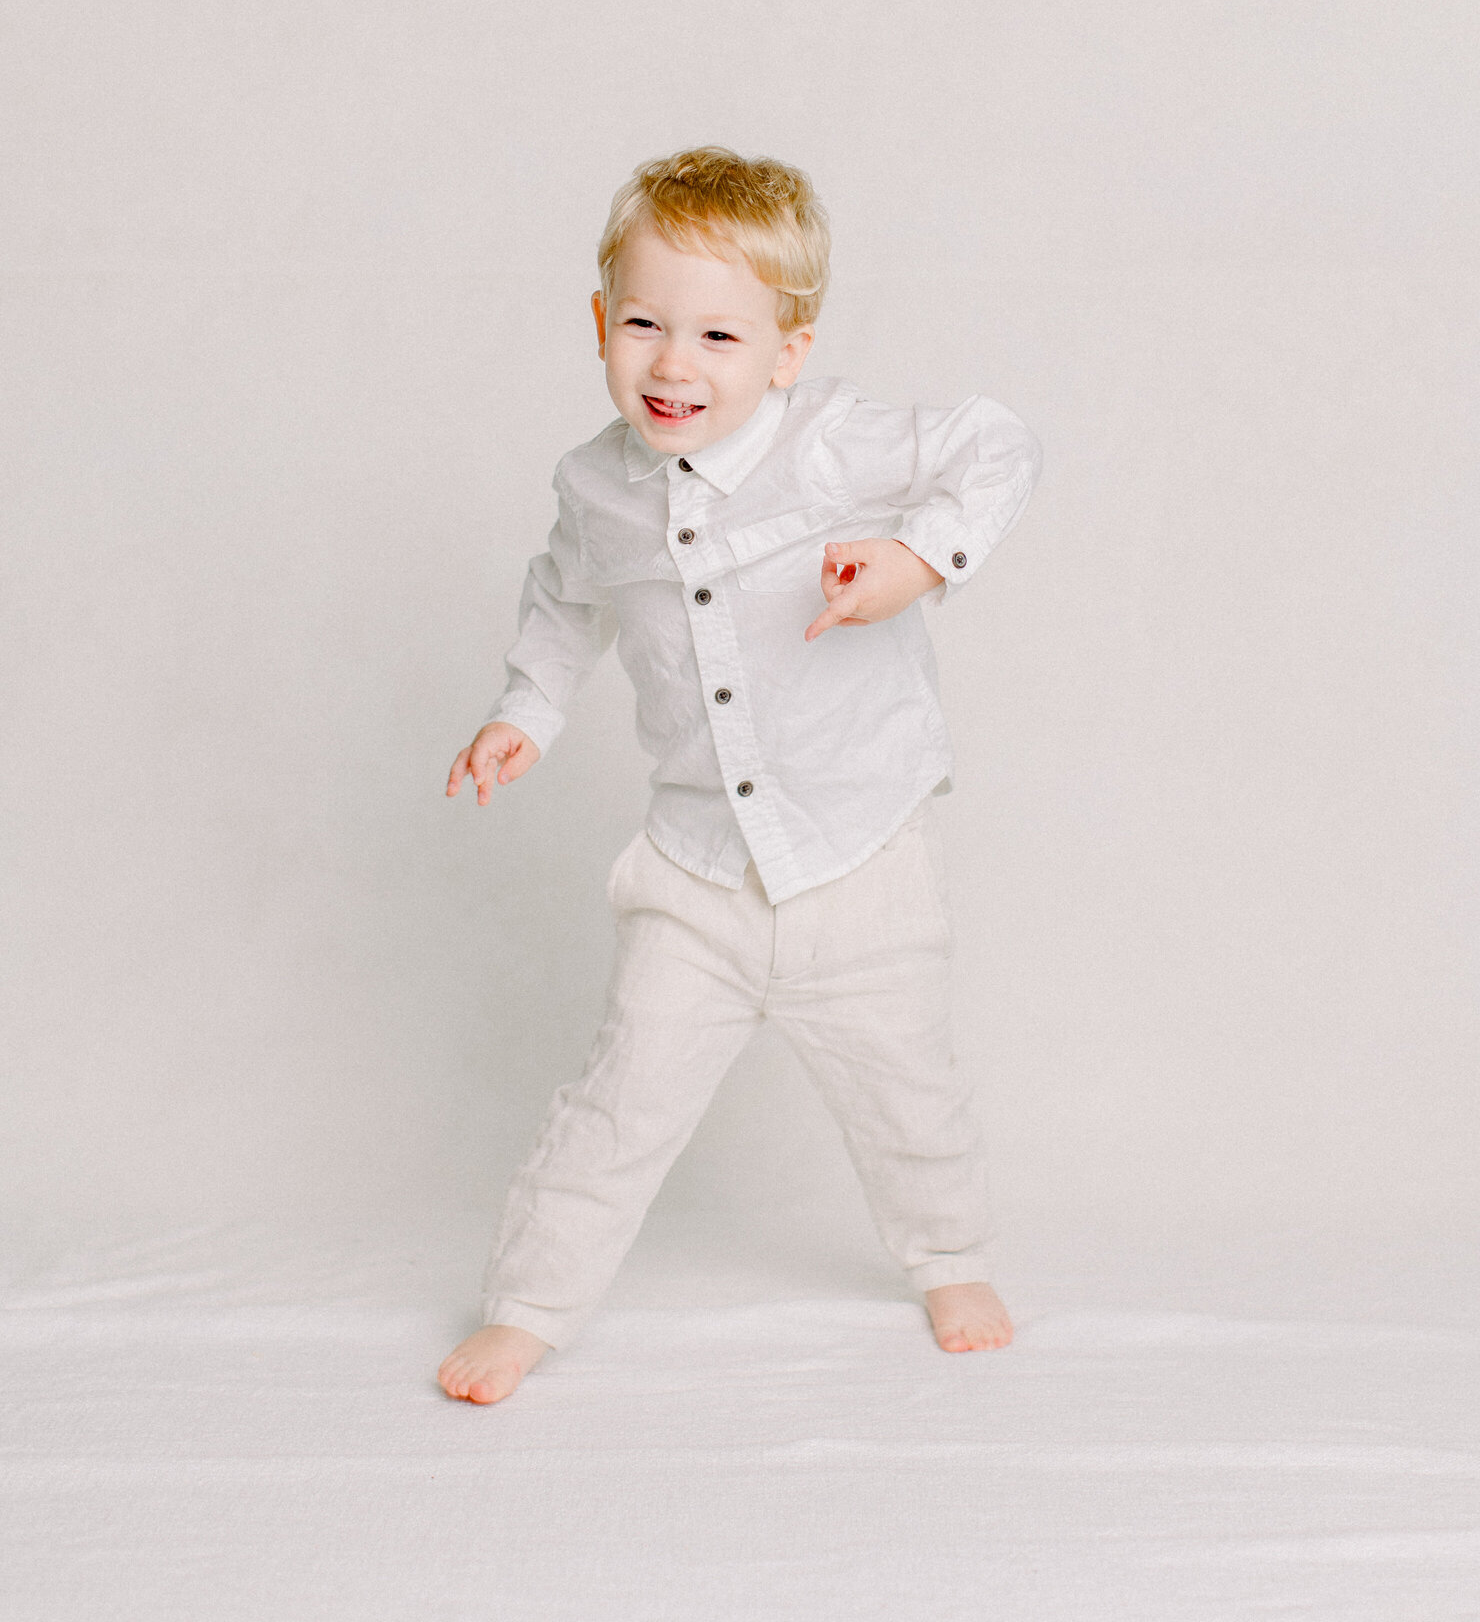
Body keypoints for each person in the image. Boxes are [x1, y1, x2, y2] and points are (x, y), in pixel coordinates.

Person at [437, 146, 1041, 1404]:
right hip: (698, 869)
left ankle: (951, 1255)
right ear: (600, 323)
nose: (674, 363)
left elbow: (993, 444)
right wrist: (523, 715)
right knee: (618, 1101)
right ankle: (530, 1305)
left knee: (909, 1092)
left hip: (858, 851)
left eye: (718, 334)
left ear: (786, 350)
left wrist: (918, 560)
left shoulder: (829, 447)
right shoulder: (595, 486)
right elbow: (563, 605)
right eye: (645, 324)